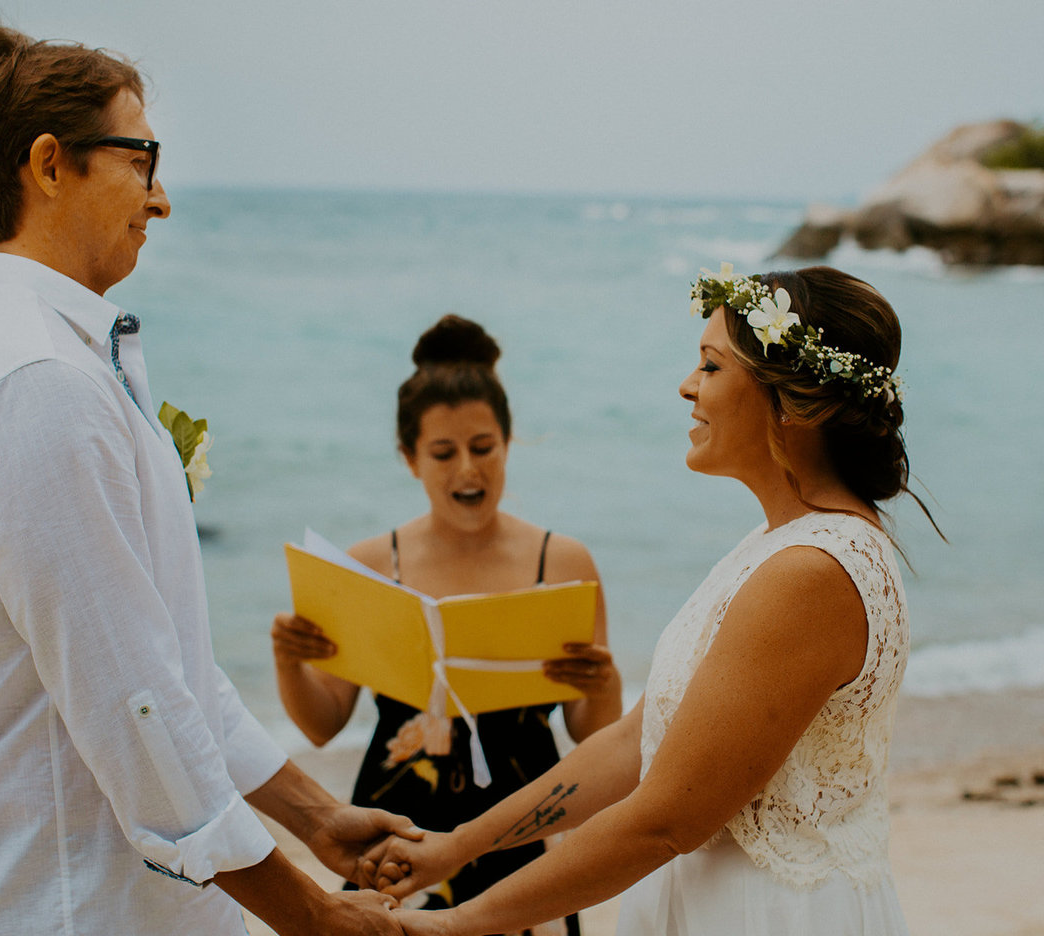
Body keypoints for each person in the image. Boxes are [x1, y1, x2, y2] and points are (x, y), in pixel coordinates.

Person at [0, 22, 417, 936]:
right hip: (64, 903)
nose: (161, 197)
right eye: (142, 158)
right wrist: (314, 917)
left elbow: (167, 660)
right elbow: (130, 698)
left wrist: (314, 817)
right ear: (50, 165)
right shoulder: (37, 385)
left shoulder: (49, 357)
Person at [373, 266, 935, 935]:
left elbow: (666, 819)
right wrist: (456, 847)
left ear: (796, 400)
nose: (687, 386)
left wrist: (451, 924)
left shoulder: (811, 573)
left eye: (710, 365)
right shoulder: (775, 543)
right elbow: (636, 742)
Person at [271, 315, 623, 935]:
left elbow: (595, 737)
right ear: (410, 458)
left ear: (508, 443)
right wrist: (287, 660)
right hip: (394, 836)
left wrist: (602, 686)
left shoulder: (563, 563)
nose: (468, 470)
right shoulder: (370, 566)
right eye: (443, 452)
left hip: (522, 832)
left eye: (483, 448)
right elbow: (323, 726)